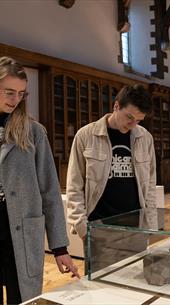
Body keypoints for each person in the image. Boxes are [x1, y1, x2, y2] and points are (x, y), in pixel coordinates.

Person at [0, 56, 80, 304]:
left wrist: (60, 248)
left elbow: (49, 192)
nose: (15, 100)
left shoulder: (34, 132)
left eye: (21, 94)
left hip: (20, 234)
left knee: (21, 298)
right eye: (9, 92)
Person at [66, 84, 156, 269]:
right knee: (101, 290)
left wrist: (150, 225)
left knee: (135, 286)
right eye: (129, 117)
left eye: (139, 120)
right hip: (100, 228)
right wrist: (83, 229)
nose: (133, 125)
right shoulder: (86, 136)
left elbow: (151, 184)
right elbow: (74, 186)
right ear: (116, 106)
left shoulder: (145, 138)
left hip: (135, 227)